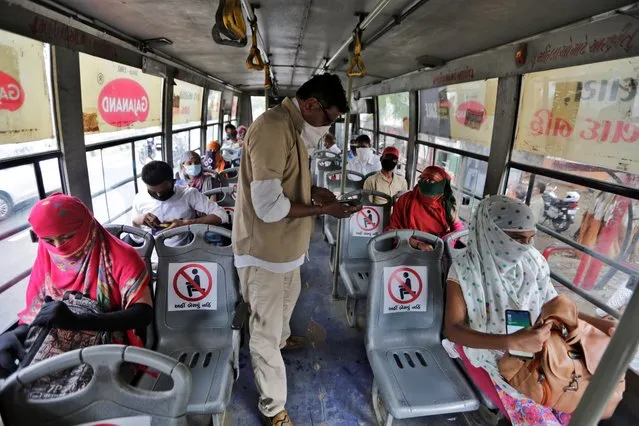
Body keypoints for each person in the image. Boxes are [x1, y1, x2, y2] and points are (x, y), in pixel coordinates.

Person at [233, 74, 358, 425]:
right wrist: (324, 211)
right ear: (310, 104)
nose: (327, 126)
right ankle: (273, 407)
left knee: (286, 306)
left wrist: (314, 190)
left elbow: (285, 180)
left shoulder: (292, 129)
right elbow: (269, 207)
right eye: (328, 118)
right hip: (264, 254)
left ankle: (283, 339)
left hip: (286, 250)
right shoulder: (273, 129)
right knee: (264, 334)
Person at [444, 195, 617, 425]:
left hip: (541, 346)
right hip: (492, 350)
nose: (523, 247)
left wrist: (600, 324)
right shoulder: (464, 271)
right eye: (516, 238)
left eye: (530, 238)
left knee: (576, 404)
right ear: (490, 233)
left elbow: (553, 304)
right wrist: (511, 342)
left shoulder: (532, 260)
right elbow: (453, 330)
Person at [0, 194, 153, 378]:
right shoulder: (46, 257)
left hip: (108, 342)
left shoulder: (122, 257)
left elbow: (142, 313)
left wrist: (78, 321)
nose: (60, 248)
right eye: (49, 241)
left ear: (87, 226)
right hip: (56, 345)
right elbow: (40, 312)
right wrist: (18, 334)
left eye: (68, 237)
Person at [132, 160, 229, 247]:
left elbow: (222, 215)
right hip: (151, 254)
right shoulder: (139, 199)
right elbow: (137, 239)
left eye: (163, 191)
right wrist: (136, 222)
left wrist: (186, 223)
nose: (158, 195)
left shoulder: (188, 194)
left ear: (174, 182)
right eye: (152, 191)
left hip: (181, 254)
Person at [387, 165, 464, 251]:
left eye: (431, 182)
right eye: (424, 180)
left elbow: (458, 228)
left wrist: (445, 243)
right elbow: (392, 231)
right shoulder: (405, 200)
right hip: (408, 247)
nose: (427, 182)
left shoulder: (446, 204)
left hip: (437, 249)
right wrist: (418, 244)